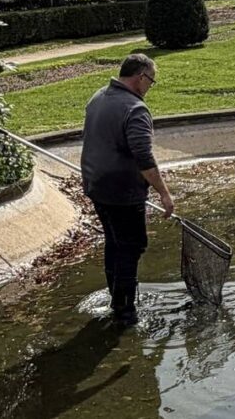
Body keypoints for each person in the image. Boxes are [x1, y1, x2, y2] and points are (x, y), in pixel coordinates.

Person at [80, 53, 174, 327]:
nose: (150, 87)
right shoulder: (135, 109)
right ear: (141, 77)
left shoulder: (98, 97)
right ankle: (125, 312)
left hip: (96, 186)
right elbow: (144, 157)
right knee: (131, 247)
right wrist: (164, 193)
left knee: (114, 242)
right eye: (151, 81)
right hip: (122, 192)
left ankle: (116, 300)